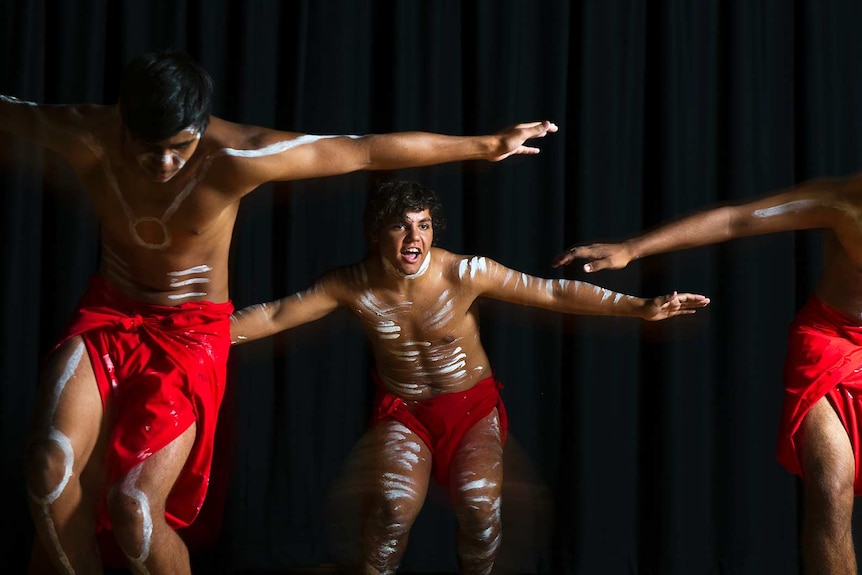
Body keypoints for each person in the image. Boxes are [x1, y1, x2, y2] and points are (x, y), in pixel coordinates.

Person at [2, 50, 558, 575]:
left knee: (134, 507)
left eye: (181, 146)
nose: (167, 162)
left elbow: (362, 150)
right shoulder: (85, 134)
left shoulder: (234, 155)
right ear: (122, 121)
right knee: (47, 467)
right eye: (152, 149)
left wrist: (486, 145)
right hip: (109, 313)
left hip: (190, 333)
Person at [229, 179, 710, 574]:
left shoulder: (463, 273)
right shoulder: (350, 284)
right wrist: (203, 334)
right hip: (405, 413)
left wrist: (639, 308)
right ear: (376, 232)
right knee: (393, 511)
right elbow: (273, 317)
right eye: (400, 226)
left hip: (472, 410)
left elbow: (552, 293)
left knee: (480, 508)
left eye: (423, 225)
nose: (414, 238)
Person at [553, 177, 862, 575]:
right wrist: (632, 248)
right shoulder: (846, 201)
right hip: (829, 343)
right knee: (831, 489)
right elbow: (738, 220)